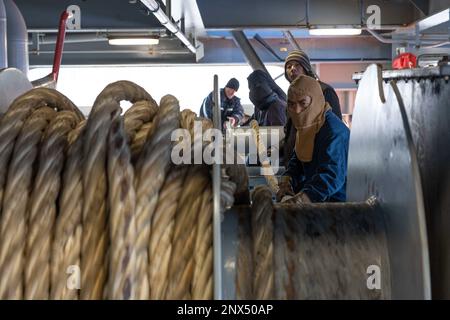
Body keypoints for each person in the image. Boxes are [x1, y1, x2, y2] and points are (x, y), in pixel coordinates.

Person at [276, 75, 350, 204]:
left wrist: (302, 199)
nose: (297, 110)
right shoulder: (308, 126)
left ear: (315, 101)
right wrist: (287, 181)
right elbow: (299, 158)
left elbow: (332, 176)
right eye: (292, 104)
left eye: (303, 103)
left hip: (338, 205)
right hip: (317, 201)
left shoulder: (334, 132)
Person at [284, 49, 343, 163]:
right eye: (289, 66)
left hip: (318, 159)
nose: (292, 69)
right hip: (296, 161)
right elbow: (291, 129)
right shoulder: (292, 96)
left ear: (306, 68)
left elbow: (334, 127)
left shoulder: (324, 91)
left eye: (297, 65)